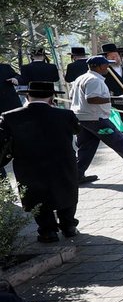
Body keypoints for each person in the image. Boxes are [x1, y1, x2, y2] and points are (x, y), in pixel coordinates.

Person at [0, 80, 80, 243]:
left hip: (28, 163)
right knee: (66, 191)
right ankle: (68, 225)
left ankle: (47, 230)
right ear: (52, 97)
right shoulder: (65, 115)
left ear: (28, 96)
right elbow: (76, 130)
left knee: (36, 196)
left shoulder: (9, 117)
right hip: (62, 162)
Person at [69, 55, 123, 183]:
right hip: (96, 118)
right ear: (99, 66)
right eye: (106, 64)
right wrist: (114, 99)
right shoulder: (94, 80)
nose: (108, 67)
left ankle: (77, 174)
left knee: (86, 147)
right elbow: (92, 98)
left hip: (82, 117)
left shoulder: (82, 78)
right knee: (119, 140)